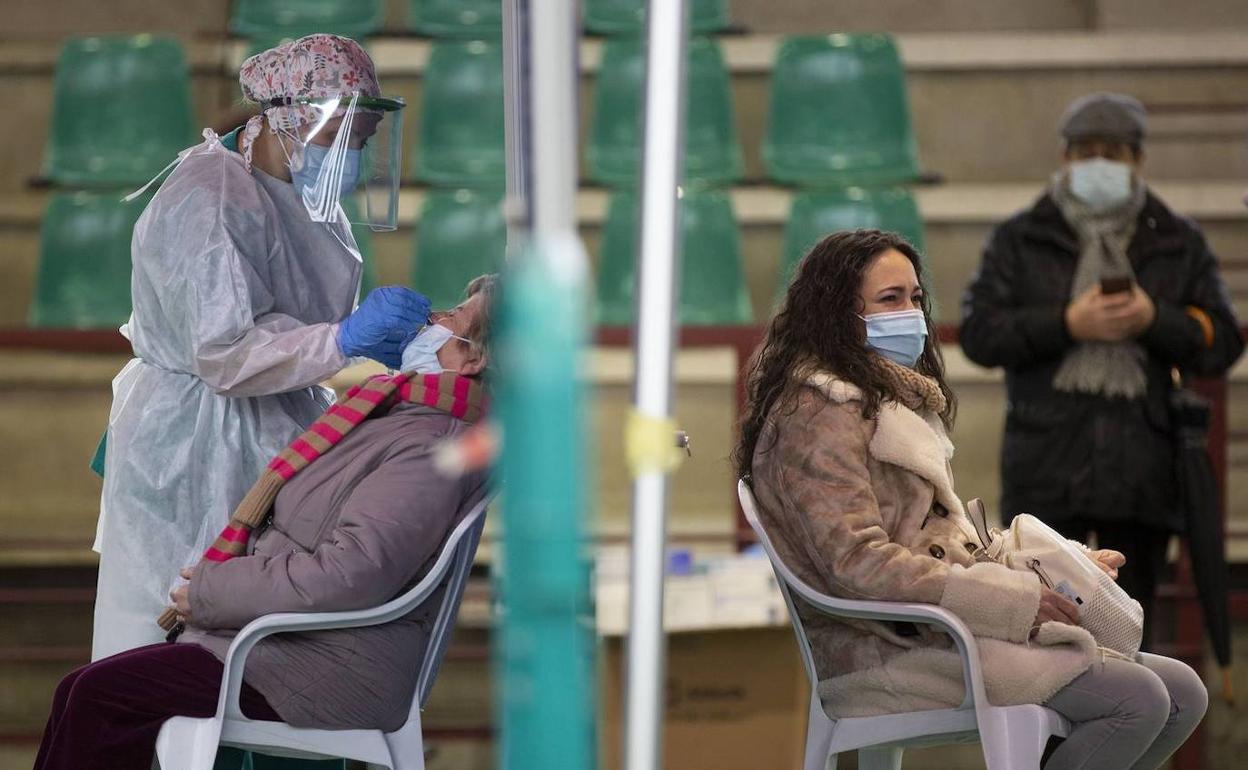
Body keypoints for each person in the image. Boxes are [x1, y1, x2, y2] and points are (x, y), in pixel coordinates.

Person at [736, 230, 1206, 769]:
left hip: (939, 628)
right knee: (1139, 699)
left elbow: (949, 543)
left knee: (1183, 692)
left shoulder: (884, 403)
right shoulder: (817, 416)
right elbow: (858, 564)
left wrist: (1065, 565)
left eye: (915, 298)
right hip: (885, 645)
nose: (910, 313)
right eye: (890, 299)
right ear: (837, 312)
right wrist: (1011, 604)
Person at [35, 275, 497, 770]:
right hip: (297, 647)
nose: (431, 319)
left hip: (324, 663)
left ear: (475, 359)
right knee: (83, 690)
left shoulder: (428, 444)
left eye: (452, 317)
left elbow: (352, 570)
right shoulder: (409, 421)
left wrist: (213, 590)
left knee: (98, 697)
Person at [92, 34, 433, 661]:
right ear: (287, 120)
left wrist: (357, 338)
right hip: (191, 438)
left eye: (361, 142)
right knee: (170, 623)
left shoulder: (305, 195)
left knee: (249, 625)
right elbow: (223, 352)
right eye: (341, 137)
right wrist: (343, 338)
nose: (350, 156)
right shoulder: (211, 198)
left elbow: (289, 317)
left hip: (270, 414)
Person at [960, 92, 1244, 648]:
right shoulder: (1020, 237)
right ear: (1064, 159)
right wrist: (1067, 323)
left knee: (1129, 634)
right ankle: (1042, 738)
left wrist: (1154, 318)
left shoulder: (1177, 240)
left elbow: (1222, 340)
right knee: (1037, 631)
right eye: (1085, 151)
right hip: (1045, 466)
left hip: (1142, 470)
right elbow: (980, 334)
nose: (1097, 164)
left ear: (1138, 161)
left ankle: (1125, 729)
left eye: (1112, 152)